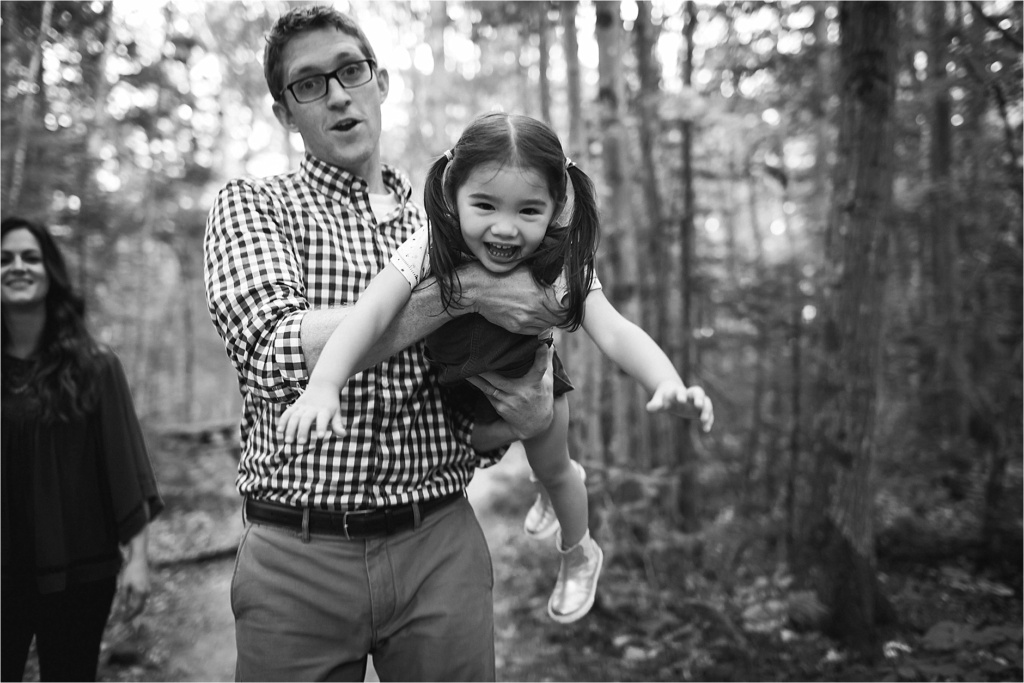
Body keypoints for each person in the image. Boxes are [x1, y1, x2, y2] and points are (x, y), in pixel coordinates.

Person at [203, 6, 565, 681]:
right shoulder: (254, 205)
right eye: (307, 84)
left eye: (349, 71)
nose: (336, 94)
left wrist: (514, 419)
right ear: (286, 113)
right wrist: (459, 295)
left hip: (441, 546)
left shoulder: (456, 215)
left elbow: (504, 350)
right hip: (296, 555)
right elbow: (274, 348)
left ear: (381, 81)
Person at [280, 111, 716, 624]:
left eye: (529, 210)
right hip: (457, 394)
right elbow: (371, 313)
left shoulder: (563, 268)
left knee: (554, 467)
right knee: (502, 451)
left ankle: (578, 552)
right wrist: (324, 384)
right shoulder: (428, 247)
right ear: (453, 194)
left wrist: (667, 382)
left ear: (556, 209)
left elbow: (616, 331)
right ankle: (548, 493)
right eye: (484, 205)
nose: (505, 228)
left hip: (530, 383)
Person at [1, 217, 164, 682]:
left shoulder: (95, 366)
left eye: (30, 257)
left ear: (50, 271)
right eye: (5, 259)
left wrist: (137, 560)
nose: (17, 267)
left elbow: (125, 466)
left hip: (80, 575)